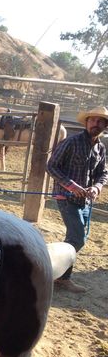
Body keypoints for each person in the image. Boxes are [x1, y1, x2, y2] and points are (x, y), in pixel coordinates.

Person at [47, 106, 108, 292]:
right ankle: (53, 272)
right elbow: (51, 166)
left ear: (105, 125)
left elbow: (103, 173)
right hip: (66, 197)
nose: (95, 124)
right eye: (92, 120)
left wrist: (97, 187)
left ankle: (60, 275)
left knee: (75, 238)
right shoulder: (71, 142)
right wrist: (71, 186)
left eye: (100, 121)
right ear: (87, 122)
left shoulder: (100, 148)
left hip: (86, 201)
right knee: (77, 239)